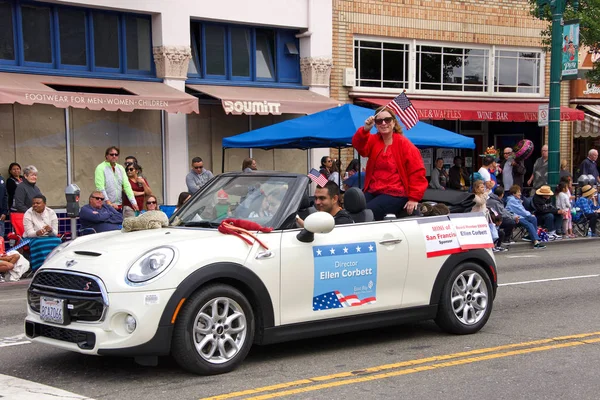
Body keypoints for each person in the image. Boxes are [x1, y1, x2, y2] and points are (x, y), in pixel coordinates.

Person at [352, 106, 428, 220]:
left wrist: (413, 198)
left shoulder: (405, 145)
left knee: (367, 213)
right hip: (373, 190)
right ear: (376, 124)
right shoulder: (374, 140)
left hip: (396, 193)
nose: (383, 123)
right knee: (353, 209)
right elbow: (360, 147)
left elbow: (417, 171)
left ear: (393, 122)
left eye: (387, 120)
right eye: (379, 121)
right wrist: (365, 129)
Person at [23, 194, 61, 271]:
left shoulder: (51, 212)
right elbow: (30, 233)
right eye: (33, 203)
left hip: (48, 236)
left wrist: (50, 230)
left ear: (44, 204)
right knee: (39, 243)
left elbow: (55, 233)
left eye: (38, 203)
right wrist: (37, 233)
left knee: (58, 241)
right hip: (32, 238)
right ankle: (41, 268)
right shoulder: (28, 213)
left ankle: (55, 266)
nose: (35, 205)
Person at [95, 146, 138, 212]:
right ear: (106, 156)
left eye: (116, 154)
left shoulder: (120, 168)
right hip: (105, 206)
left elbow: (127, 186)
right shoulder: (100, 167)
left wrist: (134, 202)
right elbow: (100, 187)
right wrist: (107, 202)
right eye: (111, 154)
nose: (114, 156)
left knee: (119, 222)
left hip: (118, 205)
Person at [505, 185, 546, 249]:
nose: (520, 194)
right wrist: (529, 214)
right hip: (515, 217)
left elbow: (522, 211)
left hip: (521, 216)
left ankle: (531, 236)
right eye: (518, 192)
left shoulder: (517, 200)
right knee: (529, 224)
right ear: (513, 194)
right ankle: (536, 242)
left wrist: (530, 215)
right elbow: (520, 211)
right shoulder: (512, 200)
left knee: (533, 219)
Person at [0, 173, 7, 239]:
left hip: (1, 213)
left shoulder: (1, 179)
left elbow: (5, 196)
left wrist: (4, 212)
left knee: (0, 237)